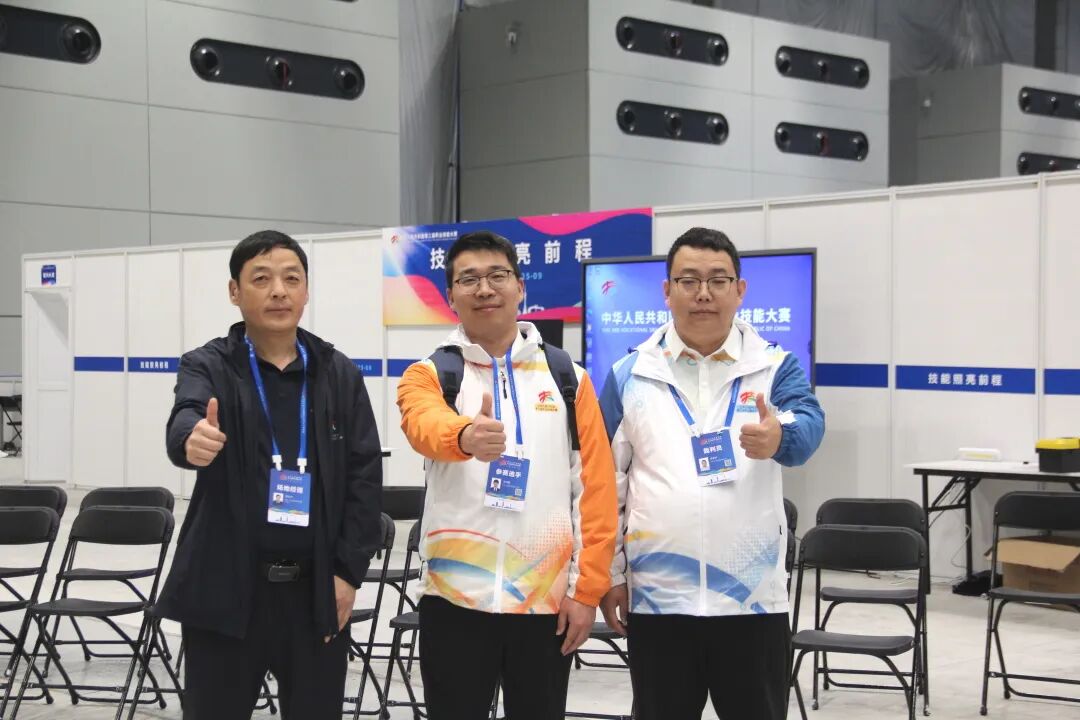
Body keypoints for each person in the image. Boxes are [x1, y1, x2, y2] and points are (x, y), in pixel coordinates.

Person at [598, 227, 825, 720]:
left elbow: (809, 424)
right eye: (689, 280)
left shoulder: (774, 367)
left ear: (739, 290)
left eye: (718, 280)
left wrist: (781, 436)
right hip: (659, 600)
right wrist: (610, 574)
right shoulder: (628, 375)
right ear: (667, 291)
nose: (704, 293)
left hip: (752, 602)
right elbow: (605, 484)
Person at [160, 230, 383, 719]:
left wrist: (348, 573)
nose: (279, 291)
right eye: (261, 279)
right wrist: (190, 438)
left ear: (306, 290)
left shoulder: (338, 373)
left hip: (315, 593)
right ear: (234, 292)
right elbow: (186, 414)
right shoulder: (209, 364)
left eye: (291, 279)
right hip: (224, 589)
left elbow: (364, 476)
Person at [396, 230, 617, 720]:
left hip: (545, 605)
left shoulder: (569, 378)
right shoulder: (430, 375)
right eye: (468, 279)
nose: (484, 289)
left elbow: (594, 492)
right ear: (450, 296)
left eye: (497, 275)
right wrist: (463, 436)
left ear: (520, 286)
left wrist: (585, 592)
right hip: (453, 601)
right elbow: (421, 425)